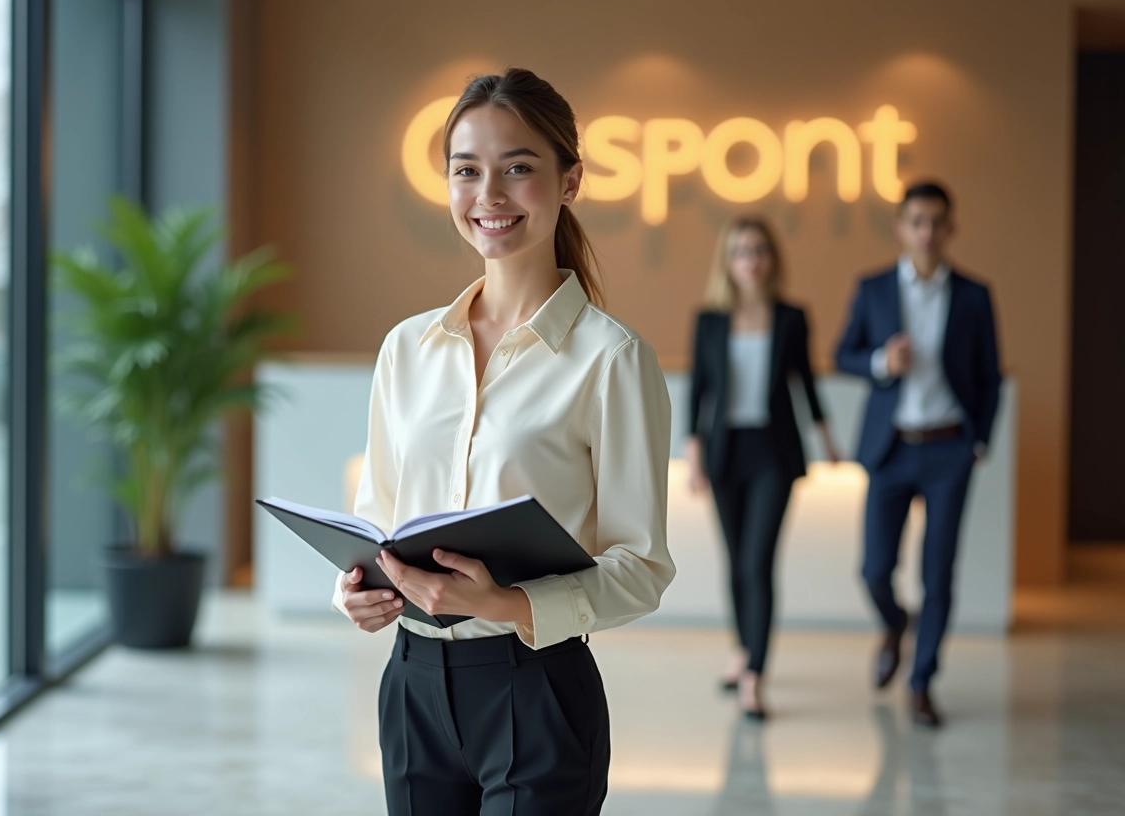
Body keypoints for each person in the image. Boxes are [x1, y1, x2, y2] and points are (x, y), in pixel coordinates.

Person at [331, 68, 675, 815]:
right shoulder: (408, 348)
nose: (489, 196)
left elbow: (640, 568)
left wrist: (511, 602)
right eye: (467, 171)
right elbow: (377, 519)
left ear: (570, 180)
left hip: (537, 688)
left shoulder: (610, 359)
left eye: (519, 168)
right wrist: (356, 590)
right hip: (413, 688)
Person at [834, 180, 1001, 727]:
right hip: (891, 449)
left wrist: (980, 439)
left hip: (950, 449)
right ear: (901, 227)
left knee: (939, 572)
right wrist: (882, 362)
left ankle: (922, 680)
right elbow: (844, 354)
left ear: (951, 229)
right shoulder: (874, 288)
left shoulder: (975, 295)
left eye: (937, 222)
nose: (927, 232)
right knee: (874, 568)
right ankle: (893, 624)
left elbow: (988, 376)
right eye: (917, 221)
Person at [685, 218, 841, 720]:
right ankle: (741, 649)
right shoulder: (709, 320)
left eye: (758, 250)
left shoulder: (792, 317)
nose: (750, 260)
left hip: (775, 452)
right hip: (726, 450)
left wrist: (827, 437)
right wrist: (694, 452)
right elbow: (698, 391)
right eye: (740, 252)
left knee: (757, 563)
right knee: (734, 564)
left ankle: (754, 675)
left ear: (772, 258)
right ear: (727, 262)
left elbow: (807, 383)